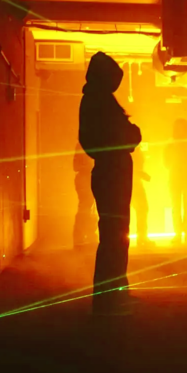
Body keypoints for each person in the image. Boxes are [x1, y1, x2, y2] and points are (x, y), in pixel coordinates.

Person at [78, 51, 142, 315]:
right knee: (115, 237)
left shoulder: (95, 100)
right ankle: (110, 298)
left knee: (114, 236)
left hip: (109, 172)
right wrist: (131, 133)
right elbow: (129, 135)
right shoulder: (101, 102)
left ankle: (114, 294)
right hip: (112, 173)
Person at [164, 118, 187, 245]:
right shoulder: (173, 144)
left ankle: (185, 234)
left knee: (185, 206)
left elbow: (166, 162)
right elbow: (166, 161)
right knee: (177, 206)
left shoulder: (172, 144)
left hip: (183, 177)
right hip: (177, 178)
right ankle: (179, 233)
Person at [72, 142, 97, 249]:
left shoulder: (84, 144)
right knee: (86, 207)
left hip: (90, 178)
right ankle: (80, 237)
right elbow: (76, 166)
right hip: (85, 179)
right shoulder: (83, 145)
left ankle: (88, 236)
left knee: (90, 208)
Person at [131, 147, 153, 248]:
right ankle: (142, 237)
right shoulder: (132, 151)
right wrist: (142, 174)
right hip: (133, 184)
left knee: (142, 209)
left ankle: (142, 237)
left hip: (132, 183)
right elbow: (131, 168)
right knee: (142, 209)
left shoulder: (134, 150)